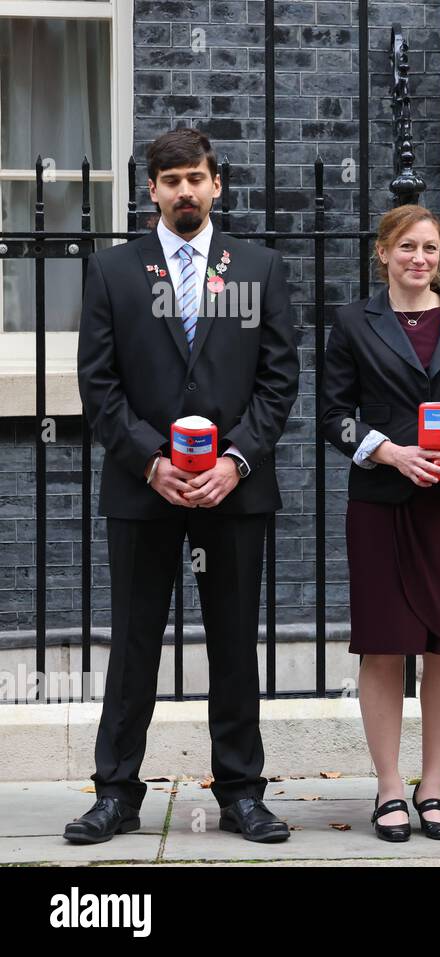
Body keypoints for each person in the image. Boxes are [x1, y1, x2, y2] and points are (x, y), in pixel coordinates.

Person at [67, 127, 299, 844]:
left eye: (196, 178)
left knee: (234, 643)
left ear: (216, 183)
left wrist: (236, 461)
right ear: (152, 192)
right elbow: (98, 384)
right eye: (171, 181)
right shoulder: (113, 271)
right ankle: (115, 792)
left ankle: (241, 791)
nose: (185, 191)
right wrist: (150, 461)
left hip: (235, 491)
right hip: (143, 492)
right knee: (134, 641)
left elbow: (279, 378)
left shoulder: (258, 268)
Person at [320, 204, 440, 842]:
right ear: (384, 253)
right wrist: (389, 451)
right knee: (382, 646)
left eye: (430, 247)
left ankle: (433, 789)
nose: (419, 258)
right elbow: (333, 414)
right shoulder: (352, 322)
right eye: (407, 247)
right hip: (381, 502)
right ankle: (390, 789)